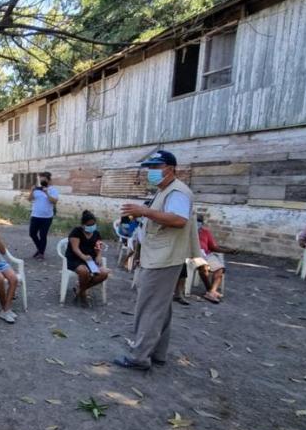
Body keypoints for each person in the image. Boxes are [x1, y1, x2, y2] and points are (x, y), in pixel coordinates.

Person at [114, 150, 198, 371]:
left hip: (164, 258)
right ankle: (158, 353)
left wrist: (145, 212)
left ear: (170, 169)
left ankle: (140, 357)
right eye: (149, 168)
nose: (151, 172)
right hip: (159, 254)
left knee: (149, 307)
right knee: (161, 307)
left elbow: (179, 220)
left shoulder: (178, 192)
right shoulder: (165, 191)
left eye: (155, 167)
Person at [65, 210, 110, 308]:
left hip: (90, 260)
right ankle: (83, 295)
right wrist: (83, 257)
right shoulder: (76, 232)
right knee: (83, 271)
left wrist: (98, 256)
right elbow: (75, 249)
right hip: (75, 258)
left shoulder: (96, 233)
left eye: (93, 224)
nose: (91, 227)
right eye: (89, 225)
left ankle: (80, 291)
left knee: (104, 273)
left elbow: (98, 247)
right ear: (83, 225)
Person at [193, 214, 236, 303]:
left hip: (207, 254)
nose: (198, 223)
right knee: (203, 267)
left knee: (220, 269)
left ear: (202, 223)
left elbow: (213, 247)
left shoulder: (206, 232)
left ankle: (212, 292)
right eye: (196, 221)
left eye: (199, 221)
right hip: (194, 254)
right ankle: (210, 290)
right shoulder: (187, 232)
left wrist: (228, 251)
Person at [28, 171, 58, 260]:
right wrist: (32, 190)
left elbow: (54, 201)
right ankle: (40, 249)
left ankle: (41, 253)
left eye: (44, 181)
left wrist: (47, 193)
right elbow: (29, 199)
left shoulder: (53, 190)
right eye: (41, 181)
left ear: (49, 180)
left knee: (42, 235)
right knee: (32, 233)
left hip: (47, 217)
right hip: (35, 215)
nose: (42, 182)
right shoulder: (37, 189)